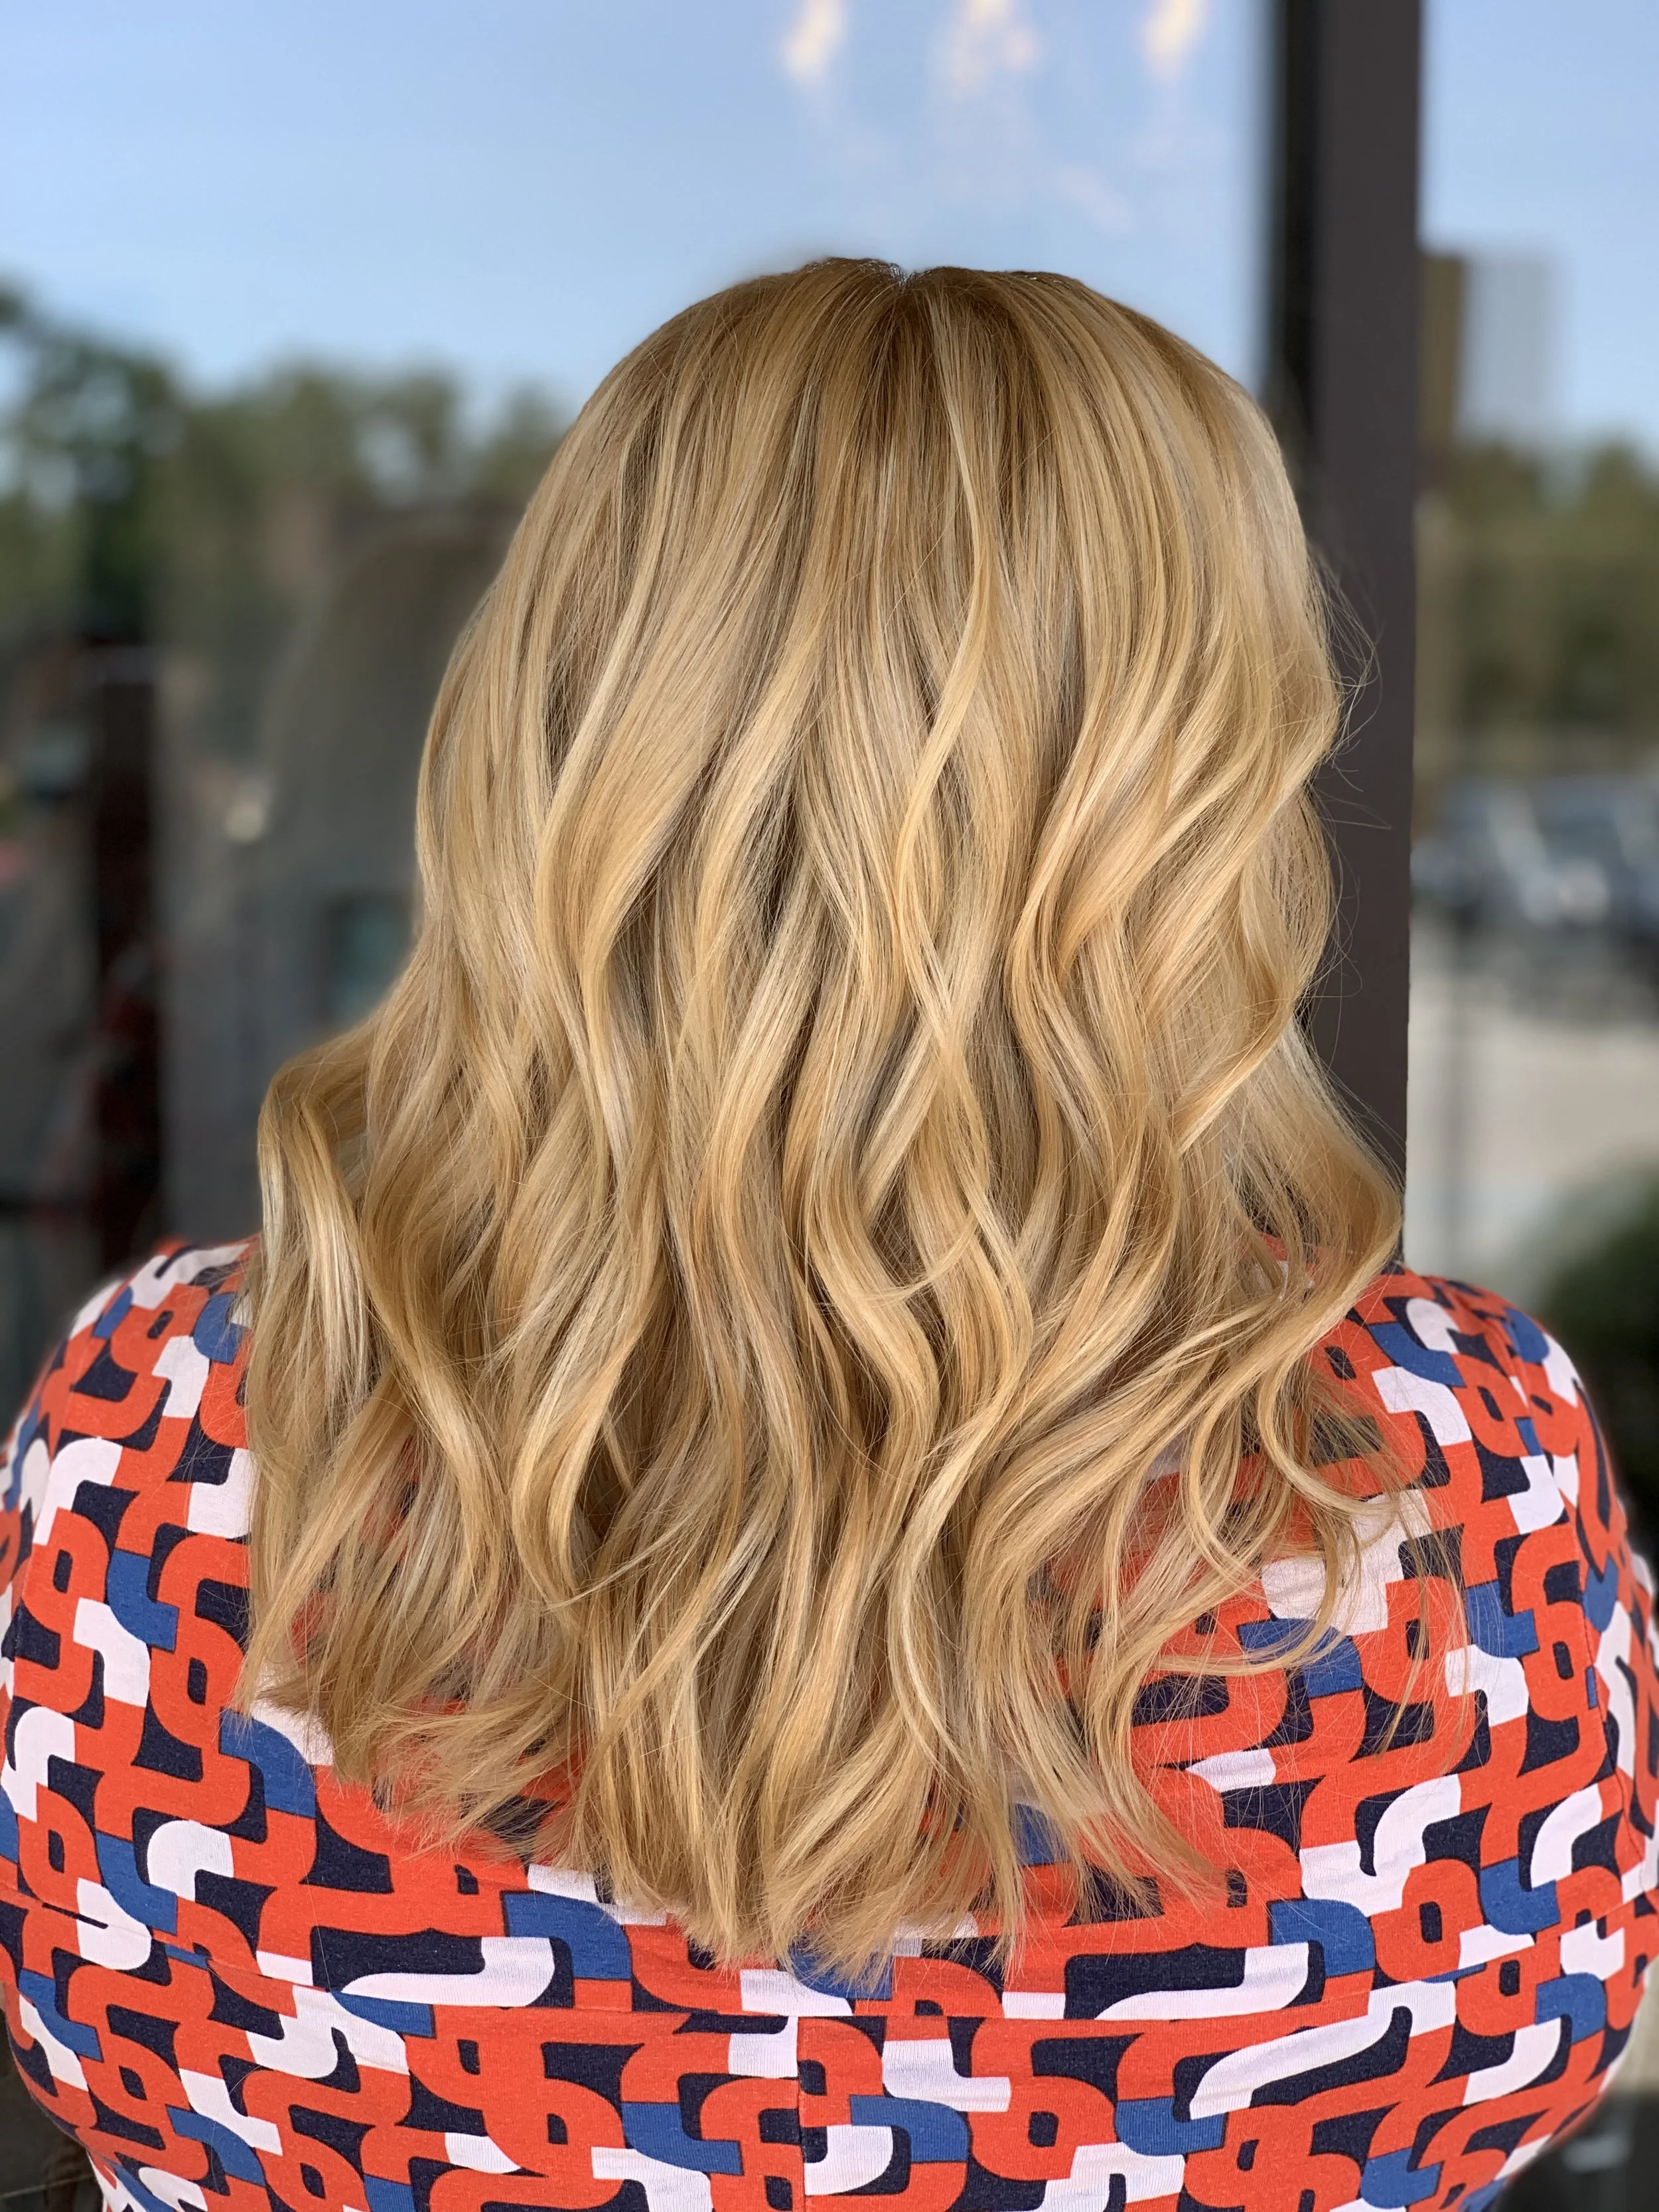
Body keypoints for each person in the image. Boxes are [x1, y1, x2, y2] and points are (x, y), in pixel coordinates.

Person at [1, 260, 1654, 2212]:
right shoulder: (1454, 1485)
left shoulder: (166, 1439)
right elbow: (1517, 2084)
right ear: (1215, 785)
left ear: (553, 732)